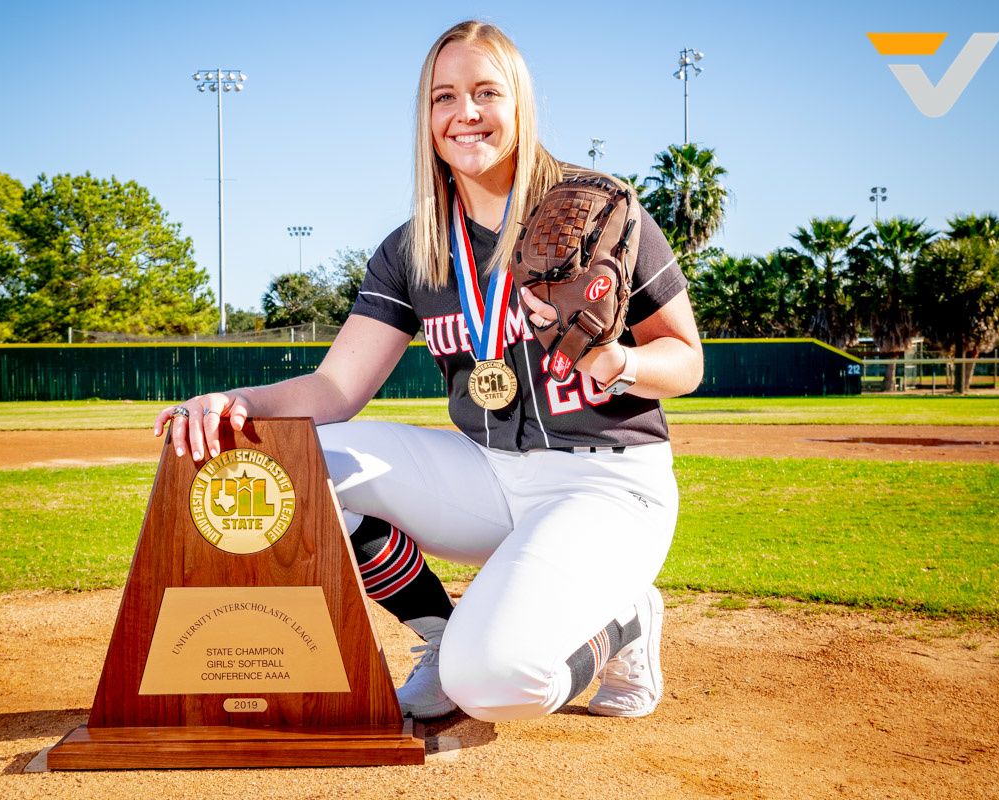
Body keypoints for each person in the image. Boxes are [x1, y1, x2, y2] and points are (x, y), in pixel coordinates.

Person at [155, 19, 703, 723]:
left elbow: (685, 360)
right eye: (444, 97)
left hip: (606, 485)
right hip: (485, 471)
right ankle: (442, 637)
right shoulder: (416, 245)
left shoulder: (594, 211)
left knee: (496, 685)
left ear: (520, 104)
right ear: (426, 115)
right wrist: (232, 401)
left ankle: (623, 618)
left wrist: (620, 360)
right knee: (288, 461)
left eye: (485, 92)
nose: (464, 114)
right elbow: (335, 389)